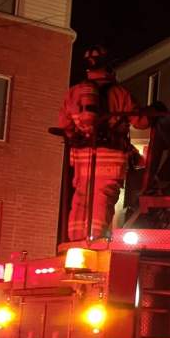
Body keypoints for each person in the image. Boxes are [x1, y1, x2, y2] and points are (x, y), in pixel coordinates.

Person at [57, 45, 148, 240]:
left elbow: (64, 125)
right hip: (111, 158)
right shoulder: (120, 93)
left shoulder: (73, 93)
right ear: (109, 66)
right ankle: (96, 239)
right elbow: (141, 122)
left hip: (83, 159)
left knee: (81, 199)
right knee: (102, 199)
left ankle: (75, 240)